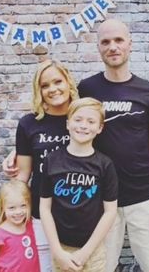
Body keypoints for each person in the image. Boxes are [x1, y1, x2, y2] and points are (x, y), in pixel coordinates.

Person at [78, 18, 149, 272]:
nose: (113, 46)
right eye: (105, 42)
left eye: (118, 40)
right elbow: (66, 128)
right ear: (98, 47)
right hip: (99, 197)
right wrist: (18, 150)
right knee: (102, 267)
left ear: (130, 44)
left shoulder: (148, 91)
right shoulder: (86, 89)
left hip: (143, 196)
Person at [3, 59, 79, 271]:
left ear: (68, 82)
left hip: (80, 210)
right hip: (41, 212)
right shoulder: (28, 124)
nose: (53, 89)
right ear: (39, 91)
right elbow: (24, 174)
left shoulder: (81, 118)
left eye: (57, 82)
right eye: (45, 86)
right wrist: (12, 211)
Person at [40, 97, 118, 272]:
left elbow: (110, 211)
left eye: (91, 122)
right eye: (78, 120)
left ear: (100, 128)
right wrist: (57, 251)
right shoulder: (52, 161)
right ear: (68, 124)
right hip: (61, 248)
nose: (83, 126)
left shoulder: (105, 165)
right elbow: (45, 208)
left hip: (93, 250)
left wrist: (86, 252)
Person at [0, 179, 40, 271]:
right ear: (3, 208)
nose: (18, 212)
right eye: (12, 208)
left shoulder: (33, 226)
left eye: (23, 205)